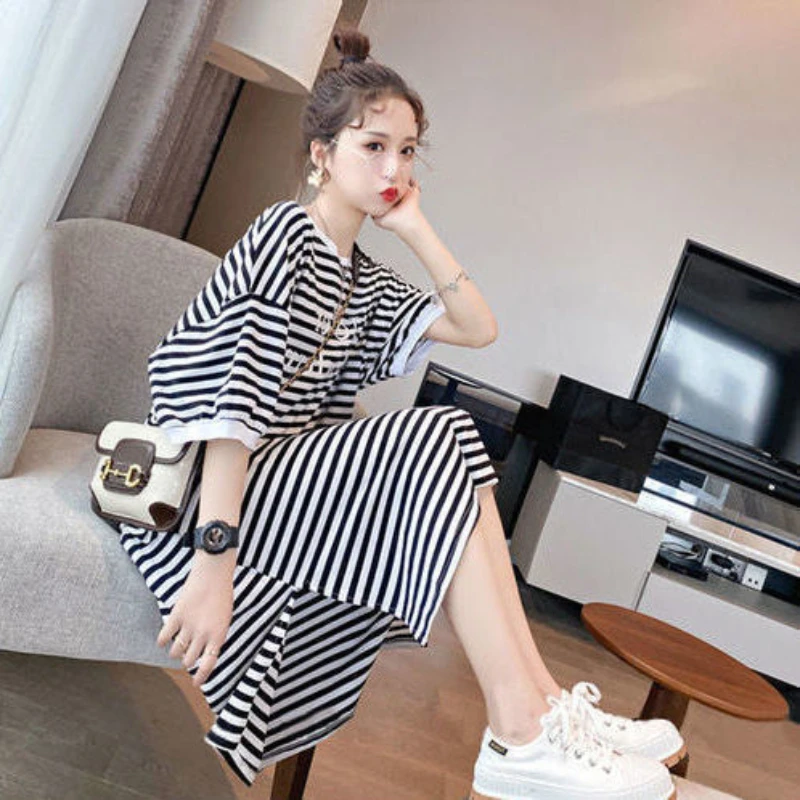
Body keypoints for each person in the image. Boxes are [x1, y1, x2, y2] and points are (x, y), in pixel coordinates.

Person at [117, 26, 684, 800]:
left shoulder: (364, 277)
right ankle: (520, 730)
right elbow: (231, 401)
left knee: (453, 445)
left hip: (291, 485)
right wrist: (215, 562)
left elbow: (478, 328)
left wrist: (415, 226)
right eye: (374, 146)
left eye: (408, 151)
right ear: (321, 154)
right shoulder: (284, 235)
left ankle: (544, 711)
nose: (394, 169)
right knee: (444, 429)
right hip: (209, 493)